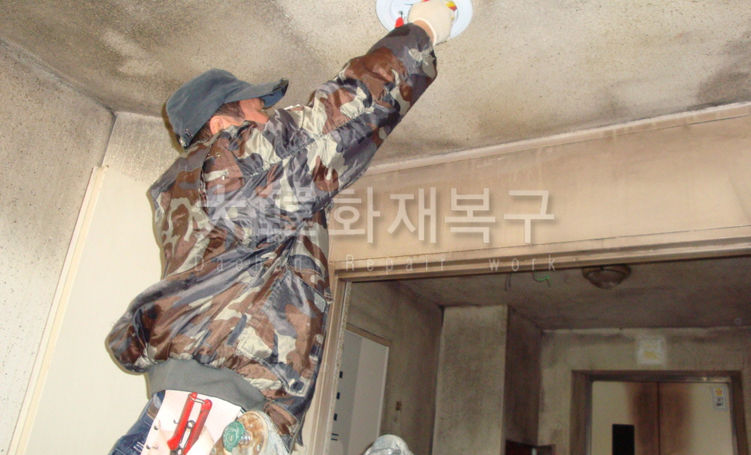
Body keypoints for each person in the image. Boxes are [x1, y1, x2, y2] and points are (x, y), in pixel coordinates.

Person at [106, 2, 456, 454]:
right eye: (258, 111)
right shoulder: (227, 163)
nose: (271, 120)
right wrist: (422, 30)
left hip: (214, 418)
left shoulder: (210, 195)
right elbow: (339, 118)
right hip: (210, 420)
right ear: (222, 125)